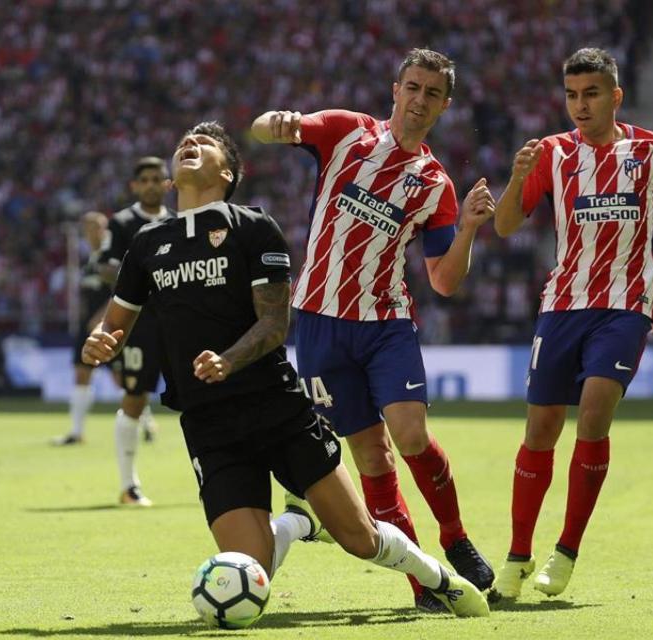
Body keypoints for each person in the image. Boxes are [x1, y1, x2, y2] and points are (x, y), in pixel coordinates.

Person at [81, 121, 489, 618]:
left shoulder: (252, 227)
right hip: (207, 422)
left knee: (360, 539)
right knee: (250, 569)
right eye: (183, 141)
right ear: (170, 181)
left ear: (227, 173)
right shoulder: (147, 244)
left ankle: (437, 577)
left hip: (275, 407)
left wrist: (228, 360)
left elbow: (275, 323)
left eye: (204, 143)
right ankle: (298, 523)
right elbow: (117, 322)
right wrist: (101, 340)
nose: (189, 144)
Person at [251, 48, 495, 611]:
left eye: (432, 94)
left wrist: (470, 231)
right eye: (413, 87)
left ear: (444, 105)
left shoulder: (435, 184)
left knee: (410, 435)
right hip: (317, 324)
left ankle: (455, 538)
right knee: (372, 458)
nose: (420, 100)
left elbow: (444, 281)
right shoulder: (344, 134)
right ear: (396, 89)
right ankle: (423, 583)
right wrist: (276, 123)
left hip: (386, 324)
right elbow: (271, 128)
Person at [491, 47, 653, 599]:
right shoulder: (551, 154)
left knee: (594, 413)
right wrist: (516, 177)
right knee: (540, 430)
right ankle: (517, 556)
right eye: (573, 95)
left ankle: (567, 551)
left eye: (592, 93)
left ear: (615, 96)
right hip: (562, 305)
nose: (580, 105)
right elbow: (505, 227)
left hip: (626, 303)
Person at [98, 157, 173, 506]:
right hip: (139, 326)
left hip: (177, 323)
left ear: (168, 184)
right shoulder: (123, 223)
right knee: (135, 397)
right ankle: (129, 486)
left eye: (157, 178)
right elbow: (104, 266)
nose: (151, 184)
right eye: (144, 179)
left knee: (201, 399)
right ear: (134, 186)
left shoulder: (178, 223)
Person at [52, 211, 121, 446]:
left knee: (122, 380)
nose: (94, 231)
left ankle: (145, 421)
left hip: (108, 325)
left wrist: (102, 318)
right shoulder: (88, 261)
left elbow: (120, 291)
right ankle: (76, 431)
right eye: (89, 227)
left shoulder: (110, 259)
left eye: (98, 227)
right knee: (81, 374)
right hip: (88, 325)